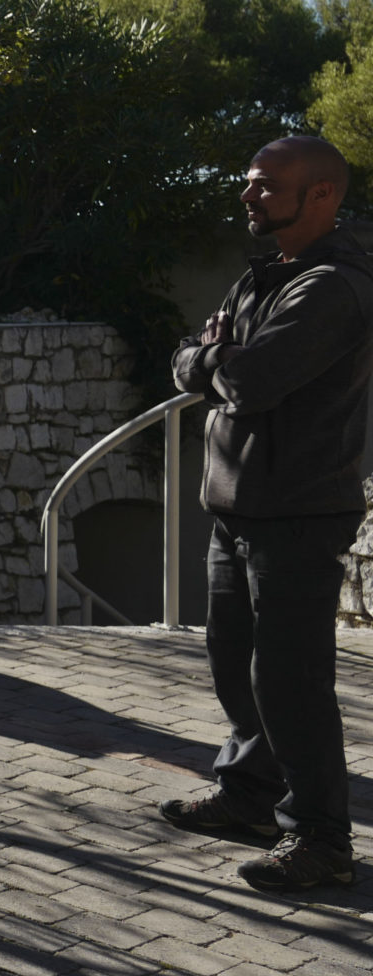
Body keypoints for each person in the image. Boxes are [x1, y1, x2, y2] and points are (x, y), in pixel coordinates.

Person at [160, 135, 368, 893]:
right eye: (248, 183)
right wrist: (209, 358)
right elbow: (189, 354)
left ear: (322, 195)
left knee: (291, 678)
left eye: (265, 185)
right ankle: (250, 794)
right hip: (237, 504)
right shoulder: (266, 275)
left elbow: (250, 379)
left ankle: (322, 839)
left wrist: (213, 360)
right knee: (233, 663)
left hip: (300, 511)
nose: (249, 195)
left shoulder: (333, 287)